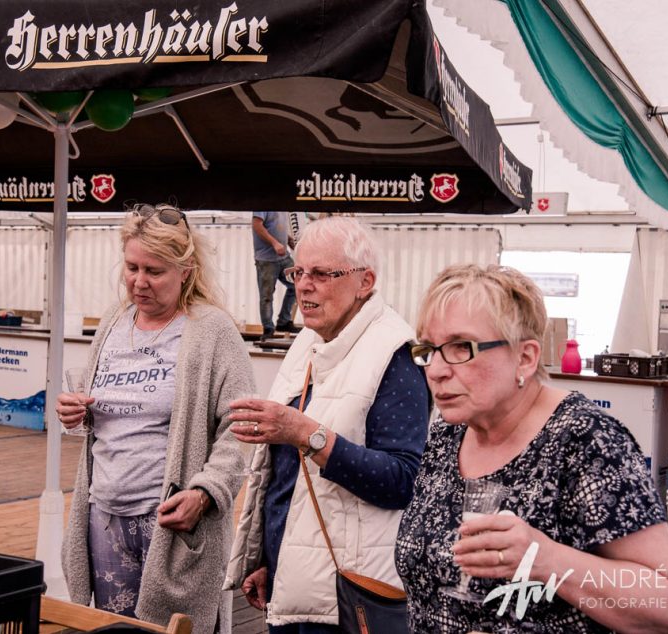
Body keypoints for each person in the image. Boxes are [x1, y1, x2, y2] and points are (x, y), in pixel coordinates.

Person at [396, 264, 668, 633]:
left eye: (461, 347)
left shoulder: (586, 440)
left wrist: (545, 558)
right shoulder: (447, 434)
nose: (436, 370)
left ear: (525, 357)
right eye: (428, 349)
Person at [224, 216, 430, 632]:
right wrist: (269, 560)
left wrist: (306, 434)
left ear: (365, 281)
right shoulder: (310, 338)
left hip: (348, 596)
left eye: (321, 274)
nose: (304, 285)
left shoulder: (395, 355)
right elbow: (286, 479)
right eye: (298, 272)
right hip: (293, 583)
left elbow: (403, 481)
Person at [57, 203, 255, 634]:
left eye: (154, 271)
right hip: (104, 517)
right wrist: (77, 414)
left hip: (171, 523)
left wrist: (206, 492)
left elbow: (241, 428)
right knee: (114, 632)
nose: (139, 281)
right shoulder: (113, 322)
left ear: (186, 270)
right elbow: (100, 414)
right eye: (132, 267)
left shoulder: (212, 330)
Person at [252, 212, 299, 339]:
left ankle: (283, 322)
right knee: (266, 296)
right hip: (266, 260)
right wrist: (275, 243)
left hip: (283, 257)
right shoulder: (263, 205)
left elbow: (274, 226)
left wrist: (287, 239)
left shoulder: (281, 207)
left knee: (297, 284)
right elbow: (257, 225)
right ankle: (268, 328)